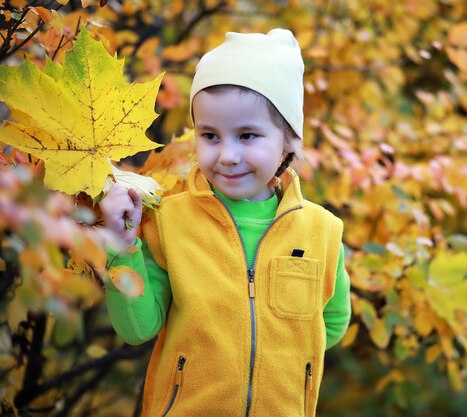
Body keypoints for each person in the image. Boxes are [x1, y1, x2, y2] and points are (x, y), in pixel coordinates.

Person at [100, 28, 351, 417]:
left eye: (247, 135)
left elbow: (331, 323)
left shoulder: (322, 231)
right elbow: (138, 328)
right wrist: (121, 247)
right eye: (211, 135)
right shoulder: (170, 222)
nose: (228, 155)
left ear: (288, 141)